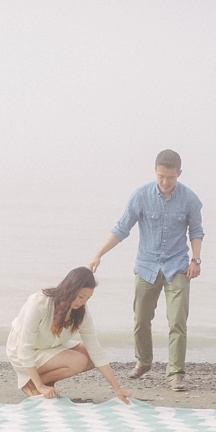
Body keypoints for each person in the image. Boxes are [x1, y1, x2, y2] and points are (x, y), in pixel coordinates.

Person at [88, 149, 204, 392]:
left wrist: (196, 260)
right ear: (155, 171)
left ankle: (175, 374)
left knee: (177, 321)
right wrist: (99, 254)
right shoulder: (140, 196)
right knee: (141, 319)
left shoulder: (190, 199)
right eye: (161, 176)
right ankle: (143, 362)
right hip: (146, 266)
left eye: (170, 177)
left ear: (179, 174)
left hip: (178, 267)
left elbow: (196, 232)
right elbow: (121, 229)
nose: (165, 181)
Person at [7, 266, 131, 403]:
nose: (83, 302)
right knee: (78, 361)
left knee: (90, 356)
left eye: (88, 298)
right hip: (22, 351)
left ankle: (45, 382)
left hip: (50, 345)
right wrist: (40, 386)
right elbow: (24, 349)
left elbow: (96, 351)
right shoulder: (39, 303)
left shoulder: (82, 313)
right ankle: (32, 383)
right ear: (70, 289)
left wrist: (117, 388)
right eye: (81, 296)